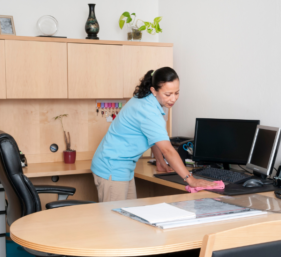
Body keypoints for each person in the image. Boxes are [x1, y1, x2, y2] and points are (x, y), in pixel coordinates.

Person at [91, 67, 215, 202]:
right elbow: (168, 150)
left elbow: (153, 137)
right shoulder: (148, 111)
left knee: (128, 218)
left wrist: (160, 162)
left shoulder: (146, 100)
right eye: (168, 94)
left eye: (176, 93)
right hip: (112, 168)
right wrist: (191, 180)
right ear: (154, 90)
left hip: (122, 167)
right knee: (115, 220)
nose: (173, 98)